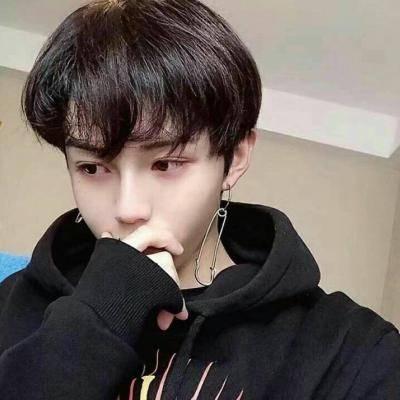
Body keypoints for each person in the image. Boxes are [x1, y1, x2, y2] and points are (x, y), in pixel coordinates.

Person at [0, 0, 399, 398]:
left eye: (166, 164)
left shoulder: (352, 350)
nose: (129, 209)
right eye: (92, 168)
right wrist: (94, 323)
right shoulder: (11, 304)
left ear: (235, 158)